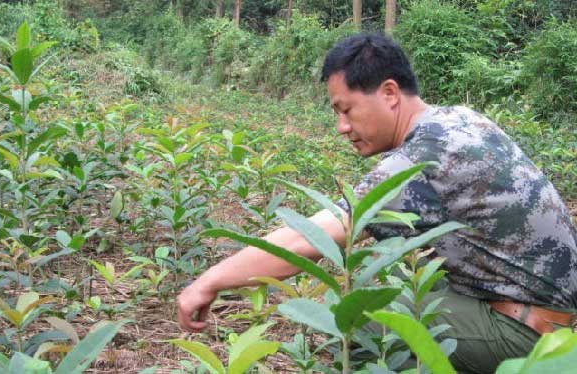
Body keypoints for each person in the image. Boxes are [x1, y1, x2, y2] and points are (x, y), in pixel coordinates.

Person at [177, 32, 577, 373]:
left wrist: (208, 281)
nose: (342, 127)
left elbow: (308, 240)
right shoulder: (460, 118)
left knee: (358, 318)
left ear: (389, 93)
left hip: (526, 335)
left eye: (346, 109)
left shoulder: (421, 160)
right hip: (550, 316)